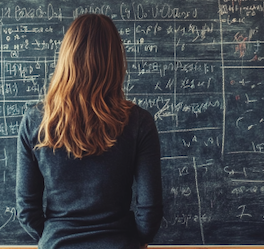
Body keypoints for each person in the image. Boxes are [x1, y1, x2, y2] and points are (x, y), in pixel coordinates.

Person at [16, 14, 163, 249]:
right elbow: (150, 208)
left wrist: (53, 237)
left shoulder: (36, 121)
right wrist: (133, 240)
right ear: (115, 61)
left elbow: (26, 209)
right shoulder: (138, 121)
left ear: (66, 58)